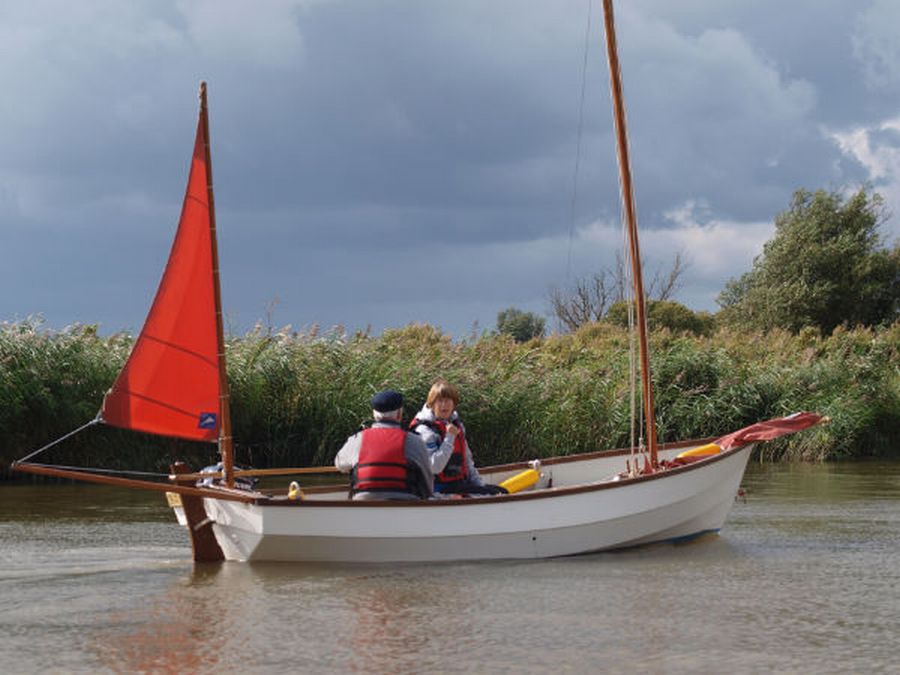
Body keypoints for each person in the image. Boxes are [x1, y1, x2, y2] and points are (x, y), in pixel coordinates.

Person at [411, 379, 507, 496]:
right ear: (432, 403)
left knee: (501, 491)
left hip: (457, 484)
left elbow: (467, 460)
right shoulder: (425, 431)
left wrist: (480, 485)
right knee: (496, 493)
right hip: (436, 489)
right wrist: (449, 437)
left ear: (454, 404)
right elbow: (435, 467)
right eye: (440, 401)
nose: (444, 405)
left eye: (448, 401)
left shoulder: (456, 425)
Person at [334, 390, 433, 501]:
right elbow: (427, 479)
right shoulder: (415, 441)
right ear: (399, 414)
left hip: (364, 501)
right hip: (405, 502)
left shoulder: (357, 439)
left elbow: (340, 464)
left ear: (374, 414)